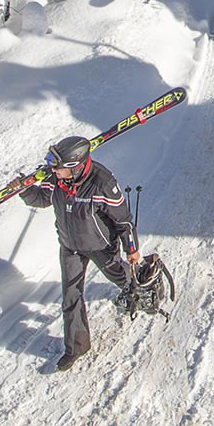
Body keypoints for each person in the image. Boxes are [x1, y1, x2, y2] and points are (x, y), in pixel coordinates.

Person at [19, 134, 141, 370]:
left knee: (119, 276)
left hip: (100, 245)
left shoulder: (102, 182)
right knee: (70, 297)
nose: (54, 172)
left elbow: (124, 221)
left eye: (59, 169)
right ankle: (76, 347)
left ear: (75, 167)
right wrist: (24, 190)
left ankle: (137, 285)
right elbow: (42, 199)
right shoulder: (56, 181)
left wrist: (132, 250)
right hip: (70, 246)